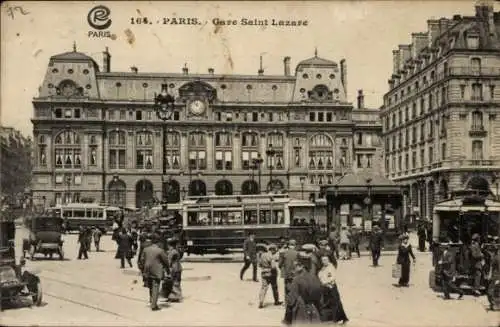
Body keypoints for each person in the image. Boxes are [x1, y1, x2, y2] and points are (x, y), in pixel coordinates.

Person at [283, 252, 322, 325]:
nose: (294, 268)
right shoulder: (314, 277)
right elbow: (319, 295)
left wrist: (287, 318)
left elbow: (291, 300)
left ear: (302, 266)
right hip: (314, 310)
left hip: (301, 310)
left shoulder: (297, 279)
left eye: (296, 266)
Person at [138, 233, 171, 311]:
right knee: (156, 286)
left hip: (147, 270)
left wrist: (142, 269)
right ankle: (154, 305)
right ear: (158, 241)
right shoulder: (160, 251)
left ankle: (151, 300)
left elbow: (142, 260)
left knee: (150, 286)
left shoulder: (146, 249)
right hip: (156, 271)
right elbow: (166, 261)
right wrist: (168, 270)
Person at [318, 254, 348, 324]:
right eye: (322, 260)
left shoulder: (330, 267)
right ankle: (335, 318)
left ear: (328, 260)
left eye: (325, 260)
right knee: (330, 303)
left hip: (331, 287)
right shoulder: (323, 268)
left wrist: (325, 282)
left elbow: (332, 278)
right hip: (326, 288)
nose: (323, 261)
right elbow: (320, 275)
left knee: (335, 303)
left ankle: (337, 319)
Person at [258, 244, 281, 308]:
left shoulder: (262, 255)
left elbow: (259, 265)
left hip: (263, 273)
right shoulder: (271, 256)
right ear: (273, 250)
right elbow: (273, 266)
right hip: (271, 273)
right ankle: (276, 301)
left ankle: (261, 301)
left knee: (264, 288)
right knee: (274, 288)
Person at [279, 239, 299, 305]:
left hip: (286, 273)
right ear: (295, 245)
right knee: (295, 287)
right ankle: (294, 301)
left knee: (286, 288)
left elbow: (280, 264)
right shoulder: (297, 253)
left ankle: (286, 302)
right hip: (295, 273)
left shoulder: (283, 253)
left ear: (288, 245)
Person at [166, 238, 183, 302]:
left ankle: (176, 297)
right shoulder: (176, 250)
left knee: (174, 282)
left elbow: (169, 261)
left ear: (170, 245)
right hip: (179, 268)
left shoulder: (172, 252)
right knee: (177, 282)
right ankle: (176, 296)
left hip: (174, 268)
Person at [486, 244, 500, 310]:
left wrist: (498, 279)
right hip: (493, 276)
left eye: (491, 251)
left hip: (496, 277)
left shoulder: (498, 258)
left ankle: (495, 305)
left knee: (491, 292)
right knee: (490, 292)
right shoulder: (494, 257)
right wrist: (489, 275)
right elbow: (491, 268)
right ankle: (493, 304)